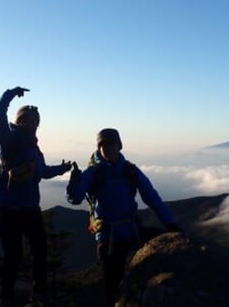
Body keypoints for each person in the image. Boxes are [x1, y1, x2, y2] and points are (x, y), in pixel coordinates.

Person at [66, 128, 180, 306]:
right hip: (109, 237)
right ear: (99, 147)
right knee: (111, 284)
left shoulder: (130, 171)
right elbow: (75, 198)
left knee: (169, 247)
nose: (108, 148)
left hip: (132, 230)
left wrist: (171, 225)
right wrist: (74, 184)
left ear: (119, 146)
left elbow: (152, 198)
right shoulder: (93, 173)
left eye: (112, 144)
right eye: (103, 144)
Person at [0, 86, 72, 307]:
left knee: (40, 251)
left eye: (34, 120)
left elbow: (42, 172)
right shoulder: (8, 140)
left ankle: (39, 292)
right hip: (8, 211)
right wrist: (10, 94)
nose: (31, 123)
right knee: (13, 256)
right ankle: (6, 297)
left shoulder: (35, 149)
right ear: (19, 121)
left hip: (30, 209)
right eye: (26, 119)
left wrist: (61, 169)